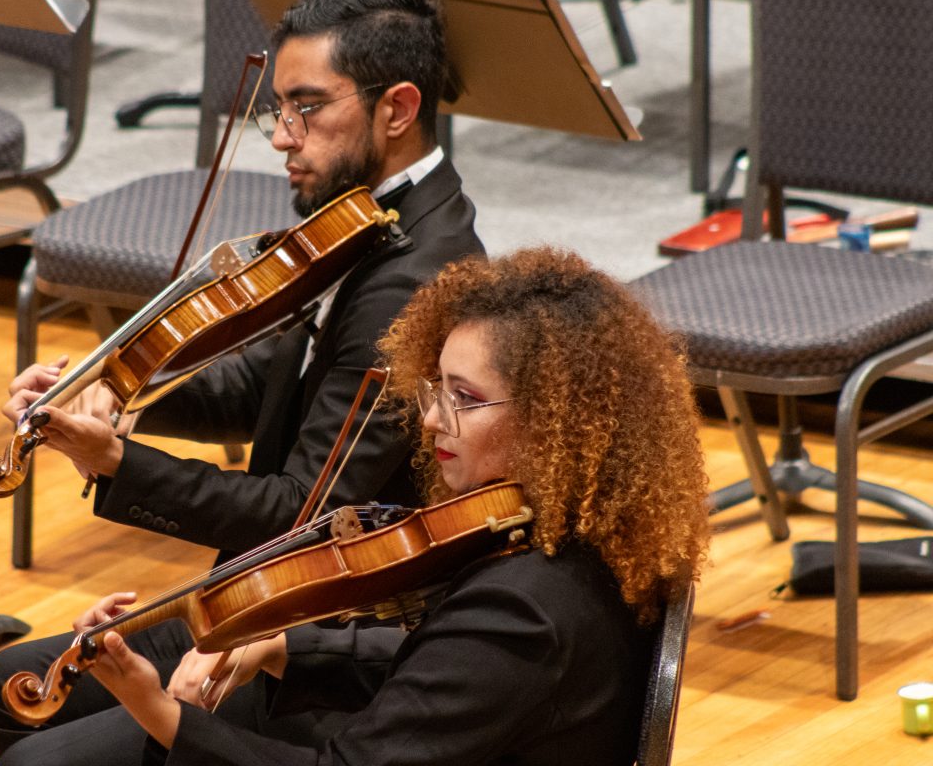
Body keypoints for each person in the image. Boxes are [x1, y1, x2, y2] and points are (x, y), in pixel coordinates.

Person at [0, 0, 483, 763]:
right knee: (8, 685)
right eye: (277, 109)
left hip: (335, 632)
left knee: (40, 751)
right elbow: (267, 387)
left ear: (398, 109)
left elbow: (298, 515)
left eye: (307, 108)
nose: (282, 136)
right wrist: (118, 396)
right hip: (271, 588)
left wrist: (115, 461)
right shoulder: (359, 224)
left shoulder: (416, 283)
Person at [86, 247, 712, 765]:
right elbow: (446, 671)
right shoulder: (577, 532)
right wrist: (283, 651)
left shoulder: (525, 605)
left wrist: (163, 716)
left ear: (555, 421)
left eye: (464, 398)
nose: (433, 419)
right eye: (436, 389)